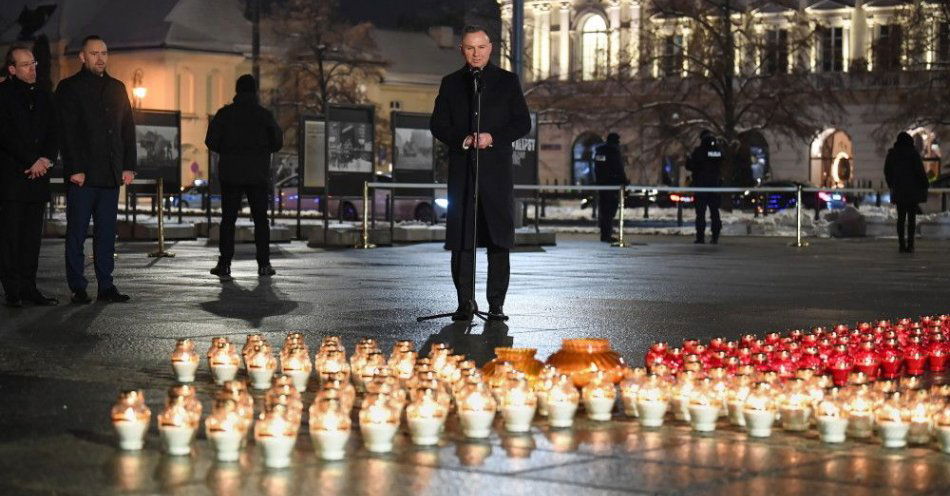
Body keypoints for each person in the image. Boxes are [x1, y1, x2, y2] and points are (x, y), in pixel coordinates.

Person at [430, 25, 531, 321]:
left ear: (491, 48)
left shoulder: (507, 82)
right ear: (462, 50)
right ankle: (465, 304)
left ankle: (496, 305)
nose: (476, 53)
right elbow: (438, 124)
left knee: (498, 241)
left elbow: (522, 123)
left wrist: (493, 137)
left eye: (481, 47)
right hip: (463, 174)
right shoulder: (451, 83)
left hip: (496, 175)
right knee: (463, 241)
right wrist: (463, 139)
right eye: (470, 48)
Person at [56, 35, 135, 304]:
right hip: (83, 175)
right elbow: (66, 132)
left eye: (104, 52)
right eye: (94, 53)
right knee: (77, 232)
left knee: (106, 234)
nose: (100, 58)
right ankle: (78, 286)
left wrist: (129, 166)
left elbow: (127, 129)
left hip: (110, 175)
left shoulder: (117, 87)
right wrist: (74, 168)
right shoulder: (69, 88)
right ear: (82, 57)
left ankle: (106, 286)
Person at [205, 74, 282, 279]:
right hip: (257, 175)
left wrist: (229, 149)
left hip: (231, 174)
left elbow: (211, 141)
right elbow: (277, 142)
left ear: (237, 91)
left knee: (228, 220)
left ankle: (225, 263)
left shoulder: (225, 114)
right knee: (260, 220)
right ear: (255, 91)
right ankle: (264, 264)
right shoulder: (264, 115)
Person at [0, 44, 59, 307]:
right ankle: (12, 289)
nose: (32, 68)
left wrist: (46, 159)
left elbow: (53, 132)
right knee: (11, 236)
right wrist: (31, 160)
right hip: (13, 178)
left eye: (33, 63)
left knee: (32, 239)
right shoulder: (2, 95)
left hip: (38, 177)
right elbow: (5, 135)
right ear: (11, 69)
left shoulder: (45, 96)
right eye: (25, 64)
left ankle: (29, 286)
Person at [884, 132, 928, 253]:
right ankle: (911, 244)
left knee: (901, 219)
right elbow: (920, 171)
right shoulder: (913, 153)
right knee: (911, 219)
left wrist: (891, 184)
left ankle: (901, 244)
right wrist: (925, 183)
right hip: (912, 191)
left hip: (899, 190)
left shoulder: (892, 154)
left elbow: (887, 171)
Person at [685, 130, 723, 244]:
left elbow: (691, 166)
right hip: (714, 186)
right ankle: (715, 237)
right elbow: (723, 160)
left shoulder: (699, 152)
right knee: (715, 212)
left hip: (701, 187)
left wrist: (688, 159)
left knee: (700, 213)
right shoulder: (717, 151)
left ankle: (700, 237)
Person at [593, 133, 628, 242]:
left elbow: (597, 168)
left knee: (604, 210)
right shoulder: (613, 151)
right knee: (610, 210)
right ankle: (607, 234)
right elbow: (618, 167)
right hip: (612, 185)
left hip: (602, 185)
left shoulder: (599, 152)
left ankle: (605, 234)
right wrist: (623, 180)